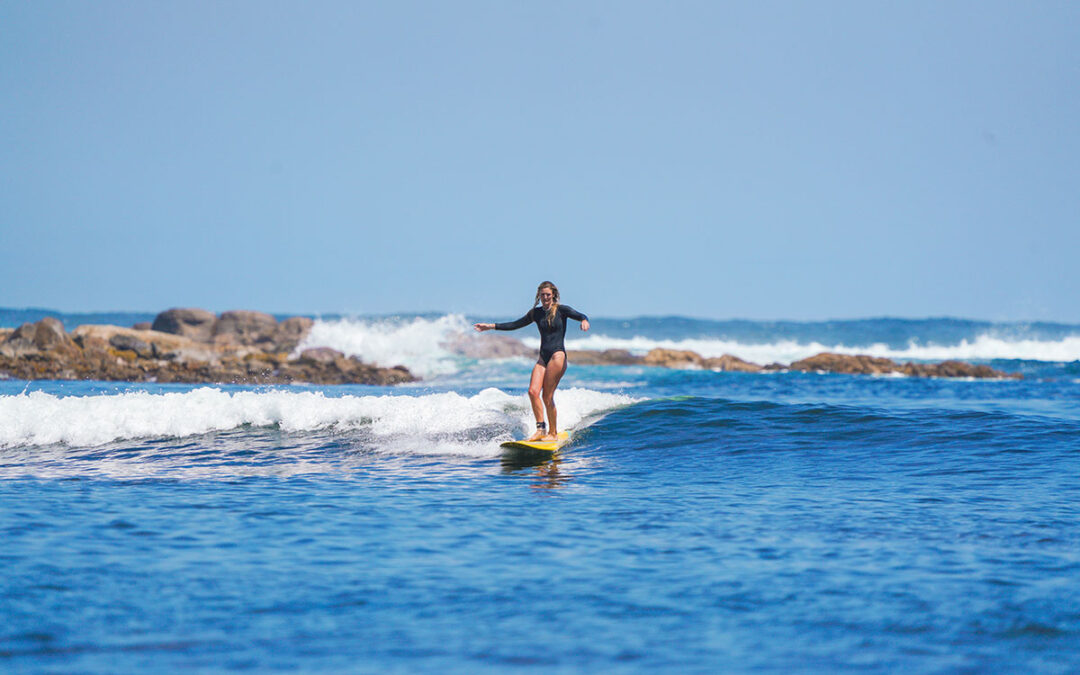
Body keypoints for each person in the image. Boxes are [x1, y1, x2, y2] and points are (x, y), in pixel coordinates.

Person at [474, 281, 590, 442]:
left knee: (547, 396)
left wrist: (584, 321)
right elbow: (515, 324)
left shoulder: (562, 310)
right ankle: (541, 429)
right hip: (543, 357)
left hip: (558, 356)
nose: (545, 298)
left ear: (553, 295)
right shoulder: (536, 313)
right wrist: (491, 326)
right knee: (533, 392)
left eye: (548, 295)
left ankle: (553, 433)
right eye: (542, 295)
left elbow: (581, 315)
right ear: (539, 296)